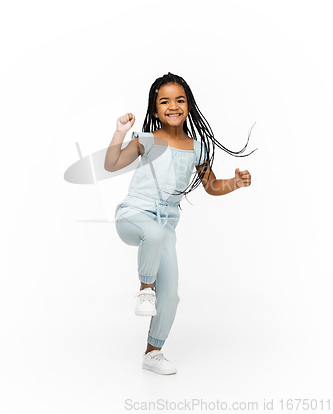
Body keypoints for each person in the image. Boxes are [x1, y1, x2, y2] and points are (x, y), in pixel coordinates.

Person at [104, 72, 257, 375]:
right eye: (165, 101)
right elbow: (111, 165)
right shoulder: (145, 140)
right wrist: (120, 132)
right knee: (154, 232)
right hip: (133, 216)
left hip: (165, 227)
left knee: (171, 293)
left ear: (188, 105)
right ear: (154, 109)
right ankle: (145, 288)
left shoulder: (196, 147)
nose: (173, 106)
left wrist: (235, 184)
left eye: (179, 100)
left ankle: (153, 352)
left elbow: (211, 186)